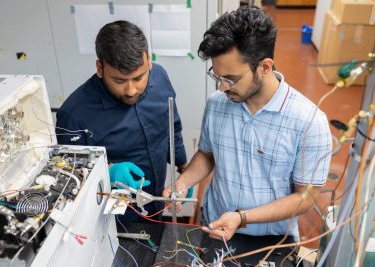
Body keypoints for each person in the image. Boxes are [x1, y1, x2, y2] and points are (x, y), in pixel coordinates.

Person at [163, 4, 332, 242]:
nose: (222, 87)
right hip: (215, 226)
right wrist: (182, 182)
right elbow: (208, 155)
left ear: (264, 67)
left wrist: (242, 217)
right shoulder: (217, 104)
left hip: (270, 242)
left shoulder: (309, 122)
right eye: (217, 76)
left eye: (231, 79)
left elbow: (306, 197)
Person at [56, 20, 188, 222]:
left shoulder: (160, 77)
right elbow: (69, 173)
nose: (131, 90)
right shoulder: (74, 114)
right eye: (119, 81)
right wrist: (108, 171)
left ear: (149, 61)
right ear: (100, 68)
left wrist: (185, 172)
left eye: (138, 78)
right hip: (114, 218)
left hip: (156, 202)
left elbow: (172, 127)